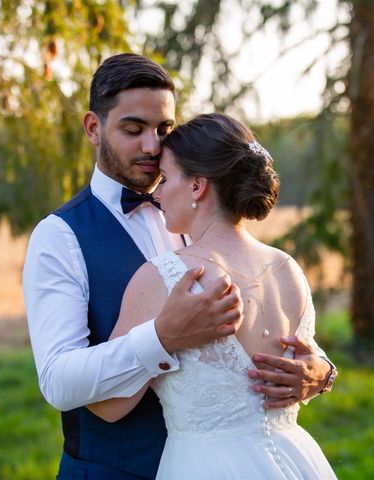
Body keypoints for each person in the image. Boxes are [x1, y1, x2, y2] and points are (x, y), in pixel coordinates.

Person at [23, 53, 335, 480]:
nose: (152, 146)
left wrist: (320, 371)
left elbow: (264, 338)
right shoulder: (59, 236)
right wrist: (163, 336)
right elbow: (58, 381)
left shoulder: (197, 214)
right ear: (94, 128)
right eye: (133, 130)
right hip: (114, 470)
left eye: (163, 129)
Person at [88, 113, 338, 479]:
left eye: (166, 178)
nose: (156, 193)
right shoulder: (287, 269)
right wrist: (327, 374)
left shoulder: (167, 277)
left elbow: (108, 405)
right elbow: (310, 362)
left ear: (197, 186)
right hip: (296, 459)